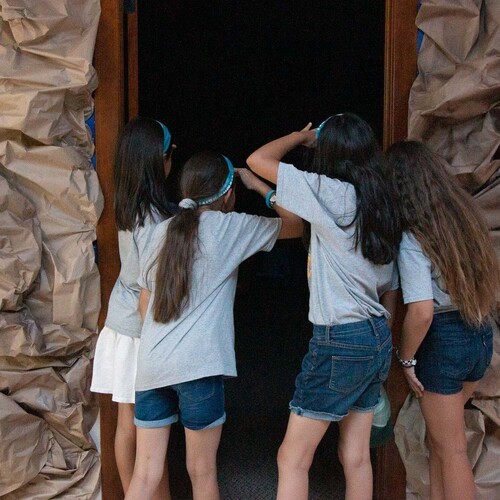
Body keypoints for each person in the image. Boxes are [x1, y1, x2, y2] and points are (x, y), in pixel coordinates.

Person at [124, 151, 303, 500]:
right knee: (202, 472)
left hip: (151, 366)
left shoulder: (157, 232)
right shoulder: (229, 227)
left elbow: (144, 303)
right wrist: (257, 185)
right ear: (228, 193)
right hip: (199, 368)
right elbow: (295, 224)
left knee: (144, 475)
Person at [246, 113, 401, 500]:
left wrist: (300, 137)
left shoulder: (332, 191)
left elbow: (258, 159)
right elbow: (389, 286)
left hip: (341, 338)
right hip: (375, 335)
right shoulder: (379, 202)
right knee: (356, 456)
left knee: (292, 458)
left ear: (328, 152)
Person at [385, 140, 497, 500]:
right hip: (479, 334)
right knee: (440, 443)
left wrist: (406, 359)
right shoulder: (464, 219)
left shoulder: (413, 237)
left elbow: (421, 312)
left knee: (452, 451)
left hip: (444, 343)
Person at [91, 117, 176, 498]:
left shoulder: (130, 205)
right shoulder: (157, 219)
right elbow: (149, 290)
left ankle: (131, 493)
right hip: (141, 331)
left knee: (128, 424)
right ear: (158, 160)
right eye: (170, 153)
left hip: (119, 325)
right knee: (150, 431)